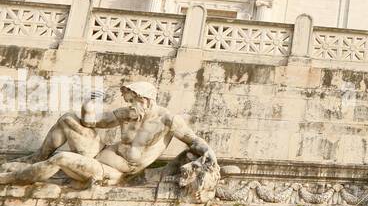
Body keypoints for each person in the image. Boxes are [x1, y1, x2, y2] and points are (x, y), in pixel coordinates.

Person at [0, 81, 216, 189]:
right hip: (100, 152)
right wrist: (89, 103)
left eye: (132, 100)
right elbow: (91, 122)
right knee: (68, 119)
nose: (128, 104)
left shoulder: (168, 120)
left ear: (145, 100)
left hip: (112, 171)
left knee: (62, 158)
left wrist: (208, 154)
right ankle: (37, 158)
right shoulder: (126, 114)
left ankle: (10, 179)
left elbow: (193, 140)